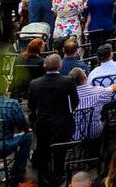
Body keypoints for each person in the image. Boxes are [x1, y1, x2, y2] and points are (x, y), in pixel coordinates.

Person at [29, 54, 79, 187]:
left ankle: (43, 177)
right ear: (60, 65)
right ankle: (58, 174)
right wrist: (67, 113)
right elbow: (75, 101)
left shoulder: (34, 83)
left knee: (43, 149)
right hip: (61, 122)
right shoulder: (68, 81)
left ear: (45, 66)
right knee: (60, 150)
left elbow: (31, 106)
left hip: (43, 122)